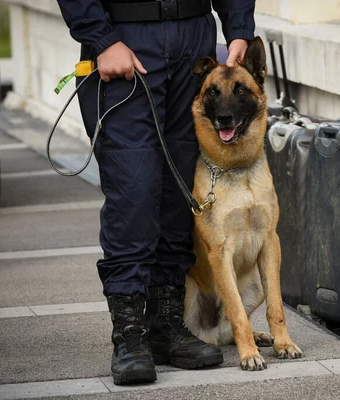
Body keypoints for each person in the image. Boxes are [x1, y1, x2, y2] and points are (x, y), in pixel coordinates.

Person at [56, 0, 256, 385]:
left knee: (181, 188)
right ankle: (130, 335)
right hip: (126, 39)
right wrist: (102, 39)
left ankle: (166, 325)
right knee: (134, 191)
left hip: (194, 39)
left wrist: (239, 27)